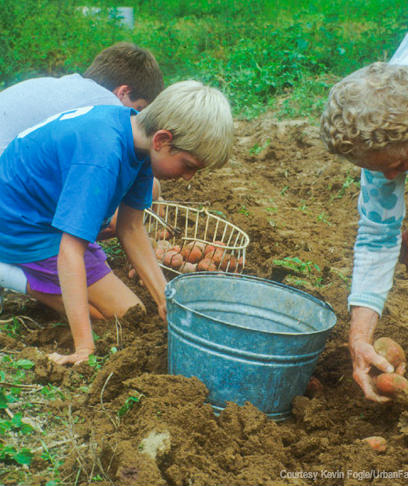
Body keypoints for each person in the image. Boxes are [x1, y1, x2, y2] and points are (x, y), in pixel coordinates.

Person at [0, 80, 234, 366]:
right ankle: (14, 275)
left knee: (128, 312)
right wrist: (84, 348)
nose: (188, 178)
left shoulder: (137, 138)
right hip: (19, 222)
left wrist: (165, 299)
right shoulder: (103, 155)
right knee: (119, 317)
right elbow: (70, 250)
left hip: (39, 210)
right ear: (162, 140)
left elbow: (131, 227)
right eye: (188, 166)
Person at [320, 0, 408, 402]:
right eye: (378, 167)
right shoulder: (379, 132)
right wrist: (360, 337)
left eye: (399, 163)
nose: (389, 176)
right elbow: (377, 235)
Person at [0, 42, 165, 239]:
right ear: (123, 92)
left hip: (12, 179)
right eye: (138, 108)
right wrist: (149, 192)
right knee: (111, 219)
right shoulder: (109, 109)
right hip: (9, 202)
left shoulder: (68, 87)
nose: (136, 117)